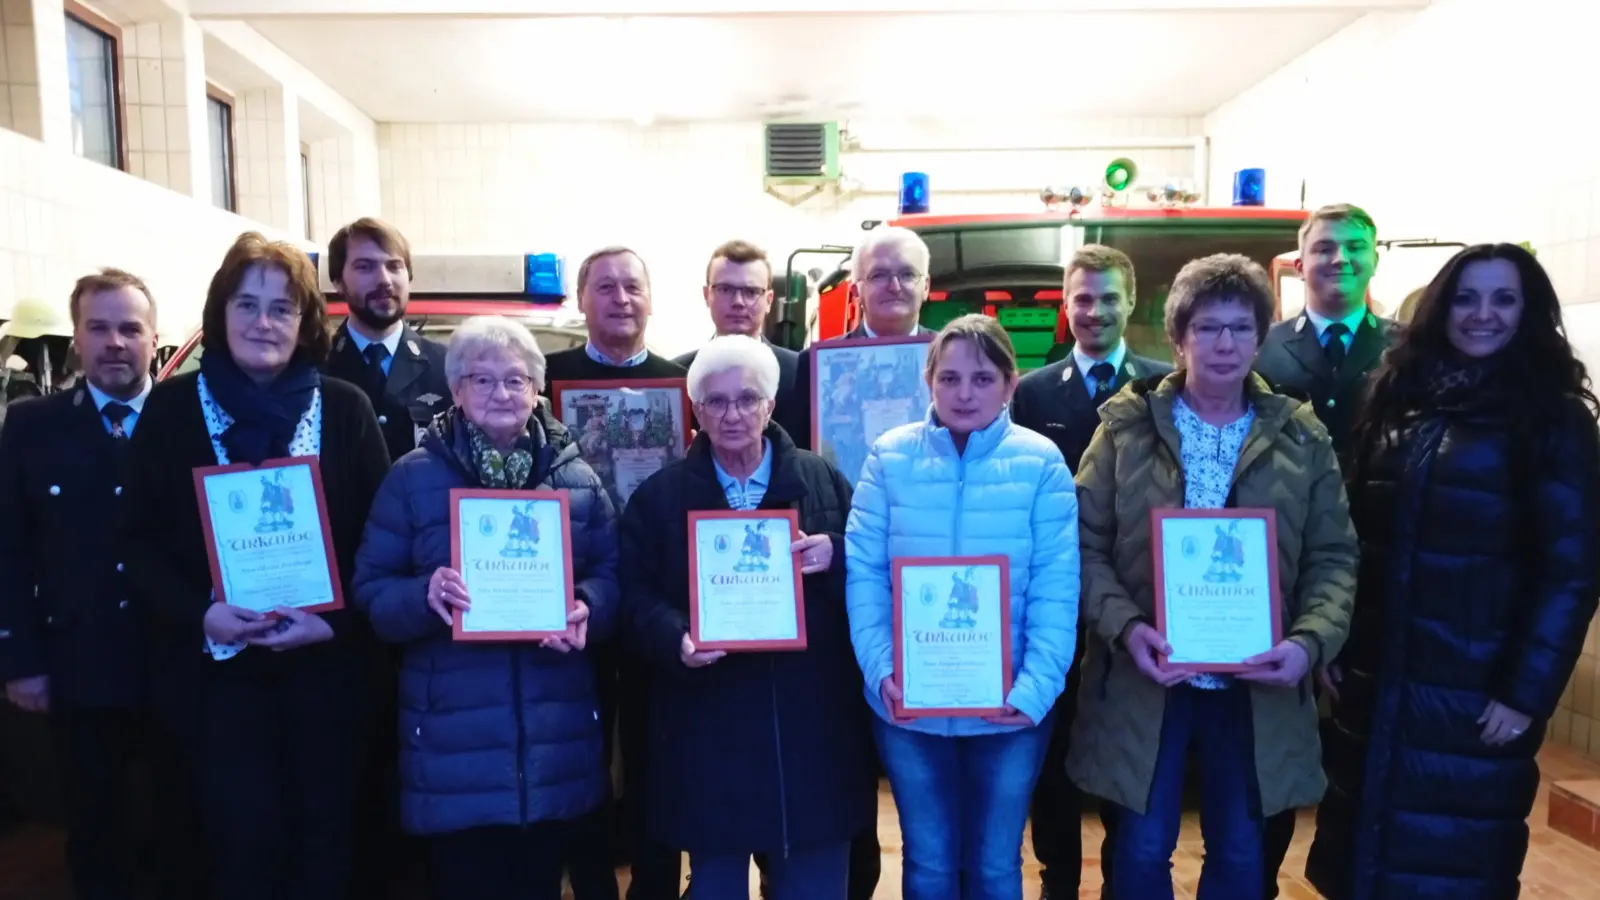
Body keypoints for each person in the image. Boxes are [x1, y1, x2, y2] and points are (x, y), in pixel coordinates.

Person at [1305, 244, 1600, 900]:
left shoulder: (1554, 420)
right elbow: (1354, 542)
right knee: (1362, 864)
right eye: (1466, 298)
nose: (1482, 314)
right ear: (1441, 308)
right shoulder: (1398, 405)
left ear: (1530, 314)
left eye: (1503, 299)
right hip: (1378, 683)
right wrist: (1337, 639)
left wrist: (1526, 692)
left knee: (1451, 868)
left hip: (1474, 694)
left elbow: (1571, 572)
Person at [1064, 253, 1357, 900]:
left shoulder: (1302, 438)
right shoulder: (1125, 428)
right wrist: (1128, 627)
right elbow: (1082, 547)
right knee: (1140, 850)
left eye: (1241, 328)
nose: (1225, 343)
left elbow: (1333, 557)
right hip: (1148, 679)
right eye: (1207, 328)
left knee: (1241, 850)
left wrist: (1307, 644)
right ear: (1177, 338)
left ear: (1261, 336)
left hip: (1257, 683)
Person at [121, 232, 391, 900]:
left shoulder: (347, 409)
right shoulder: (174, 408)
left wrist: (336, 624)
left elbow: (385, 544)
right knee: (239, 846)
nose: (263, 322)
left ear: (304, 323)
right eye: (246, 305)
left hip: (325, 671)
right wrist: (202, 614)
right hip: (218, 683)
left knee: (328, 841)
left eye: (281, 308)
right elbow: (138, 545)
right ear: (220, 314)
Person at [352, 314, 619, 900]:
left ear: (537, 389)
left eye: (517, 380)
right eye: (482, 379)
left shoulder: (575, 478)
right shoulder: (411, 479)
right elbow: (370, 592)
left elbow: (612, 574)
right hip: (454, 749)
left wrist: (587, 609)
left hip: (553, 741)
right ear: (456, 391)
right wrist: (424, 597)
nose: (502, 393)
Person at [619, 334, 877, 900]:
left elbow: (875, 572)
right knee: (716, 886)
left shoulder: (823, 480)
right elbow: (631, 597)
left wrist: (836, 551)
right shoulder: (659, 498)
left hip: (810, 732)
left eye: (747, 398)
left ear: (771, 404)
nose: (732, 413)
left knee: (812, 885)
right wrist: (676, 637)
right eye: (715, 401)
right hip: (709, 732)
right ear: (696, 410)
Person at [845, 313, 1079, 900]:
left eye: (981, 378)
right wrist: (881, 671)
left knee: (997, 865)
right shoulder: (888, 457)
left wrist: (1034, 689)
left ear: (1009, 384)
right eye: (949, 378)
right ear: (929, 382)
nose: (964, 392)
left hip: (1010, 710)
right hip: (909, 707)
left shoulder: (1042, 462)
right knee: (926, 862)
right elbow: (865, 575)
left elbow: (1058, 584)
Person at [0, 270, 204, 900]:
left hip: (182, 661)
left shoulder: (192, 419)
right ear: (77, 340)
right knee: (94, 830)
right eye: (99, 328)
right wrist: (20, 660)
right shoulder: (31, 426)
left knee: (187, 829)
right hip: (81, 664)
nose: (115, 342)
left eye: (130, 329)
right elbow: (10, 551)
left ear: (155, 340)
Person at [1010, 244, 1170, 900]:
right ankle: (1058, 876)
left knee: (1121, 742)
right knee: (1053, 747)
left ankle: (1120, 875)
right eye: (1082, 298)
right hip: (1048, 600)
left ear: (1131, 302)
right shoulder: (1029, 392)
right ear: (1065, 306)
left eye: (1108, 298)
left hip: (1130, 601)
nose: (1095, 311)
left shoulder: (1164, 389)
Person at [542, 245, 686, 900]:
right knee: (584, 751)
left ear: (651, 299)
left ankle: (656, 882)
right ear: (582, 299)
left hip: (660, 593)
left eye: (633, 286)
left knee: (659, 751)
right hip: (577, 594)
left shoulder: (682, 384)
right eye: (606, 286)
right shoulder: (546, 379)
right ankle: (592, 882)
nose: (621, 298)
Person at [783, 226, 930, 459]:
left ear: (926, 287)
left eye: (908, 274)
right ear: (855, 291)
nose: (894, 286)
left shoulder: (958, 357)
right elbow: (802, 459)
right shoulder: (814, 365)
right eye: (878, 275)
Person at [324, 216, 451, 463]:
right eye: (365, 267)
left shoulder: (448, 367)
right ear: (337, 282)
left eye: (394, 266)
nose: (384, 279)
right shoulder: (314, 366)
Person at [674, 240, 800, 426]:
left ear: (769, 300)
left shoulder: (801, 372)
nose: (738, 302)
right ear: (706, 295)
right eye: (725, 289)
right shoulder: (677, 375)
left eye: (751, 292)